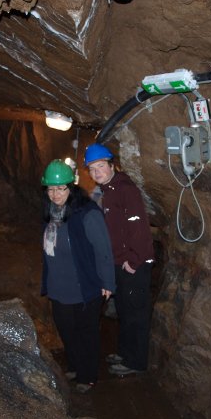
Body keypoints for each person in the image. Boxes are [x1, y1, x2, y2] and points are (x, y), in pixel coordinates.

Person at [40, 159, 115, 393]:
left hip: (84, 285)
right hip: (58, 285)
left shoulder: (87, 213)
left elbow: (103, 250)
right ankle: (74, 365)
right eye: (50, 189)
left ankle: (88, 375)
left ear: (71, 187)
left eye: (60, 188)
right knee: (66, 329)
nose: (55, 194)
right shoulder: (51, 212)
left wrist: (108, 282)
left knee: (86, 332)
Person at [84, 143, 155, 376]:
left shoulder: (125, 189)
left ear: (111, 165)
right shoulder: (108, 190)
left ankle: (135, 363)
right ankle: (125, 353)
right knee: (125, 311)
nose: (96, 172)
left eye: (100, 166)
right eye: (92, 168)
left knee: (135, 314)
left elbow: (139, 227)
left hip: (134, 264)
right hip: (121, 262)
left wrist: (134, 260)